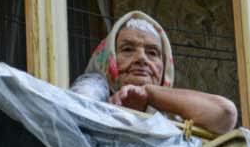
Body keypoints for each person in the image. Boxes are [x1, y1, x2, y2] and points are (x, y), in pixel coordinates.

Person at [71, 10, 238, 135]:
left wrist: (149, 93)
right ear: (109, 60)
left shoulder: (170, 113)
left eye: (152, 53)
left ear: (164, 66)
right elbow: (75, 114)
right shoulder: (96, 86)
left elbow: (225, 113)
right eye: (128, 49)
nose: (142, 58)